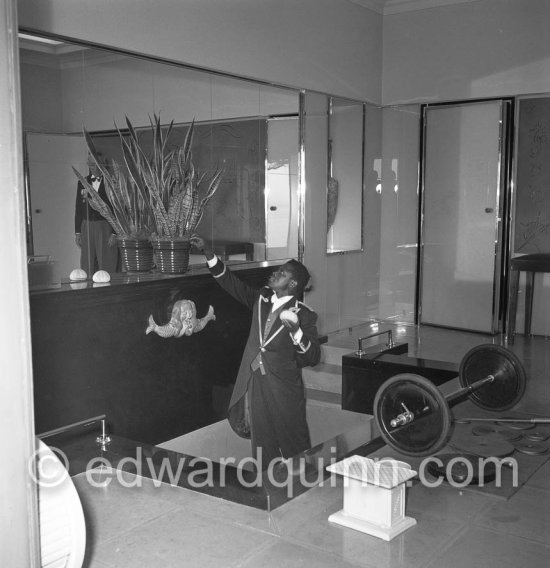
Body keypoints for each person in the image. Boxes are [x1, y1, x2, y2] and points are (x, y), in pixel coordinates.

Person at [191, 235, 321, 471]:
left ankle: (305, 482)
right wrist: (209, 254)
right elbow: (232, 284)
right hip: (256, 380)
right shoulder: (261, 299)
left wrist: (297, 332)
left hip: (283, 385)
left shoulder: (304, 315)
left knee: (294, 438)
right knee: (262, 439)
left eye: (281, 273)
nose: (274, 274)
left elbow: (313, 358)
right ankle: (266, 486)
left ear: (293, 285)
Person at [75, 153, 118, 275]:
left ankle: (109, 287)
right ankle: (86, 288)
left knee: (107, 260)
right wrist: (77, 232)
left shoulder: (112, 183)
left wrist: (115, 233)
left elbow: (118, 209)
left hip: (105, 226)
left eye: (96, 164)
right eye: (90, 164)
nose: (93, 167)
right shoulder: (82, 182)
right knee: (86, 261)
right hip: (86, 225)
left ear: (103, 164)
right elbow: (78, 208)